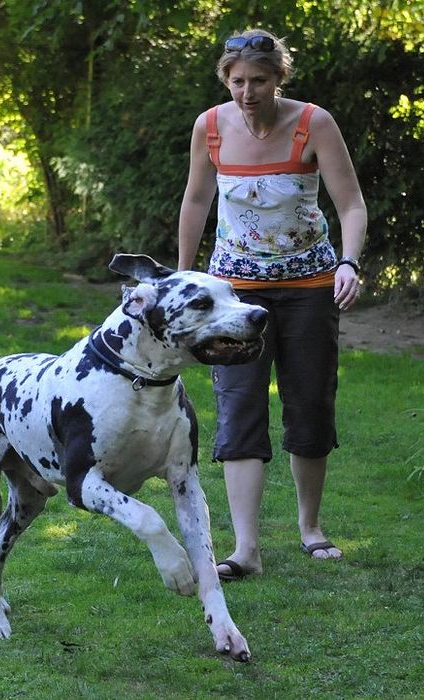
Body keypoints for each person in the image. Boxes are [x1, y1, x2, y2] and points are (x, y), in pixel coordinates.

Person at [177, 29, 366, 579]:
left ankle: (311, 528)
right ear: (225, 80)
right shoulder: (210, 127)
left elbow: (351, 204)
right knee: (239, 406)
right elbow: (196, 199)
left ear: (279, 78)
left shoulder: (313, 123)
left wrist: (349, 263)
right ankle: (245, 550)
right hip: (233, 294)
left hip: (310, 288)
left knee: (309, 403)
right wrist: (185, 274)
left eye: (259, 81)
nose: (247, 92)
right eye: (237, 81)